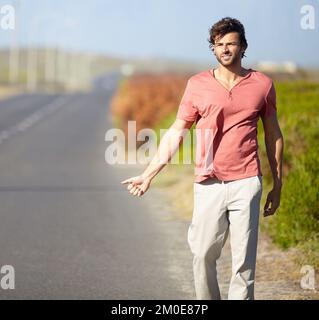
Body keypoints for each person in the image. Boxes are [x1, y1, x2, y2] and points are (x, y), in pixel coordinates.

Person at [121, 17, 284, 300]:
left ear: (243, 46)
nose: (224, 49)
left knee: (244, 262)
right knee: (203, 253)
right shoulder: (197, 84)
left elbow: (274, 135)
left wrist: (277, 184)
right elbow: (177, 131)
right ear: (213, 49)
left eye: (231, 43)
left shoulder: (262, 84)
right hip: (208, 182)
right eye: (218, 44)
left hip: (247, 180)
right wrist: (148, 175)